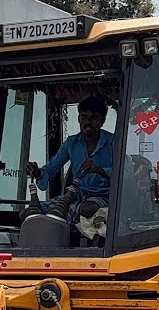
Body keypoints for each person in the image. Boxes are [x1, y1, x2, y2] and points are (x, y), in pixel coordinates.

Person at [26, 95, 114, 229]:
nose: (88, 122)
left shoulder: (114, 142)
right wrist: (37, 172)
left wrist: (99, 170)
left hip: (105, 198)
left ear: (102, 121)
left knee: (87, 209)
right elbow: (50, 169)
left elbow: (126, 175)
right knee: (30, 214)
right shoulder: (72, 143)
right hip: (76, 196)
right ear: (78, 119)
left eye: (94, 118)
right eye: (84, 117)